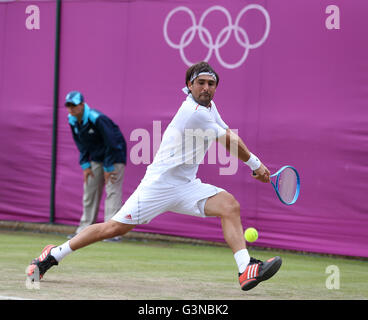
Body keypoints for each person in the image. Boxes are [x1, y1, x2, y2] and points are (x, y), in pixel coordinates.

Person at [27, 62, 282, 291]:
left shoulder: (210, 106)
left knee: (229, 205)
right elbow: (228, 139)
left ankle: (245, 268)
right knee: (113, 228)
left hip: (186, 185)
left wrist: (255, 165)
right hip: (158, 186)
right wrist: (255, 164)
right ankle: (52, 255)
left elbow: (226, 131)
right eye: (201, 83)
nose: (206, 88)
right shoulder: (194, 113)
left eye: (211, 84)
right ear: (189, 86)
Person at [65, 91, 127, 241]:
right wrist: (85, 165)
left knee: (112, 191)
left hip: (115, 156)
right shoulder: (72, 120)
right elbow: (81, 144)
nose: (71, 109)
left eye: (74, 105)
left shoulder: (97, 118)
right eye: (68, 105)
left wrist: (108, 168)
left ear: (82, 105)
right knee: (89, 191)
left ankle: (112, 233)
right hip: (96, 158)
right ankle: (84, 230)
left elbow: (112, 143)